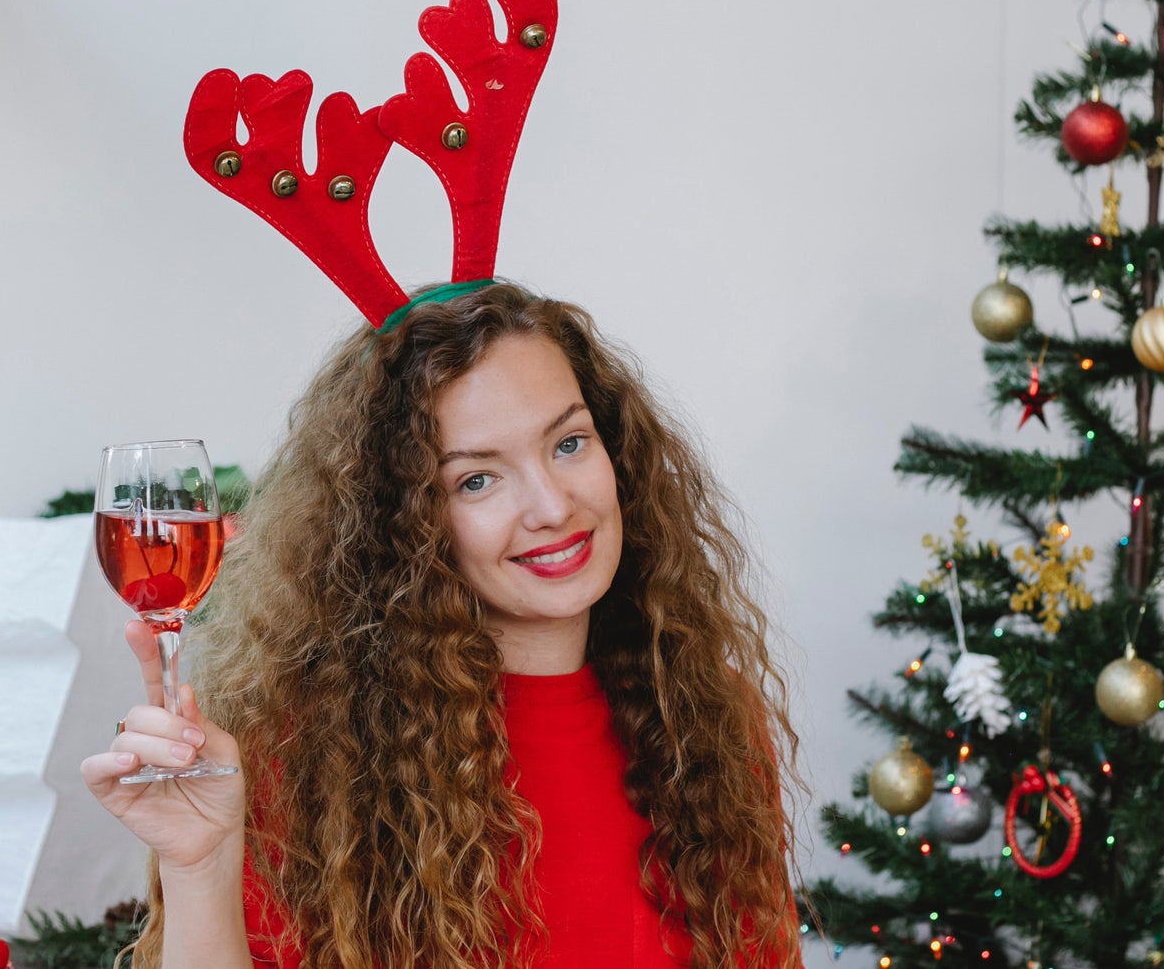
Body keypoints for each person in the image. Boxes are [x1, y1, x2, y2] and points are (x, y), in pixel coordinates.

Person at [83, 283, 805, 969]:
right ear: (401, 526)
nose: (551, 505)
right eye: (475, 479)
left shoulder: (706, 721)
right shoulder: (308, 761)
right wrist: (199, 866)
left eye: (568, 443)